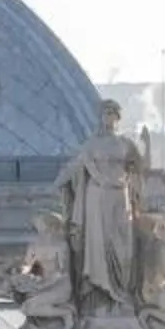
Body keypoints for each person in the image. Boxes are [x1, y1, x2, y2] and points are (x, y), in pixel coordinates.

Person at [59, 100, 144, 312]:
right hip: (97, 197)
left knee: (123, 245)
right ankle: (100, 294)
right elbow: (76, 168)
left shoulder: (126, 144)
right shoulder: (91, 144)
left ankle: (122, 293)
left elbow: (140, 169)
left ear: (118, 117)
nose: (108, 118)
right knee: (98, 243)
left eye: (112, 114)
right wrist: (62, 182)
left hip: (119, 195)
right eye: (105, 114)